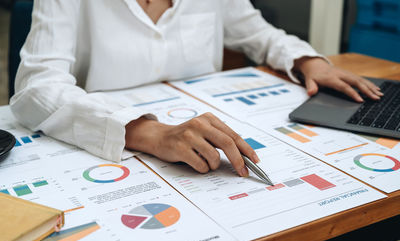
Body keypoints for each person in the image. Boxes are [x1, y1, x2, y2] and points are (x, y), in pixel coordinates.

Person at [10, 0, 383, 177]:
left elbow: (258, 33)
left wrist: (307, 60)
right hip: (110, 147)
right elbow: (35, 88)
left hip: (209, 137)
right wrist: (142, 129)